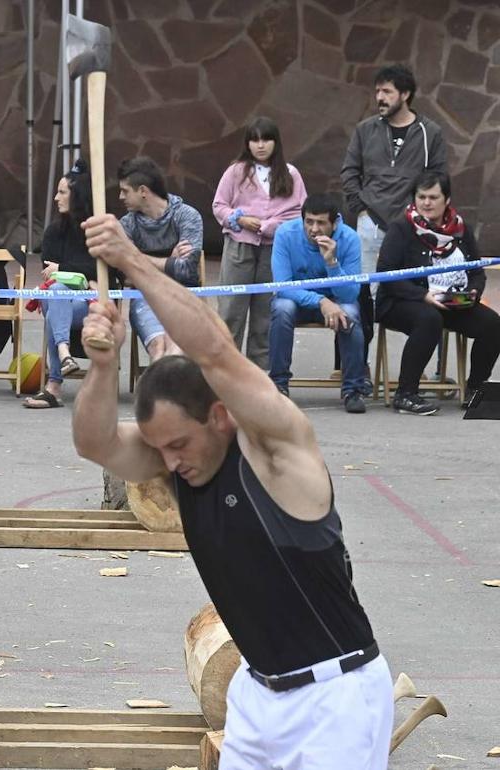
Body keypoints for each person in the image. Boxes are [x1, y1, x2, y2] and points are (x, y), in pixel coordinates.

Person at [73, 212, 392, 770]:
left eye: (177, 444)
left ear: (220, 416)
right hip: (255, 695)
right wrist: (101, 368)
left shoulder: (277, 446)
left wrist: (131, 262)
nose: (166, 463)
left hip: (334, 699)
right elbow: (95, 443)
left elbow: (217, 350)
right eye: (158, 447)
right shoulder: (179, 458)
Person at [341, 63, 447, 365]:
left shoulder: (431, 133)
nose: (380, 97)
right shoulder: (365, 130)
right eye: (377, 91)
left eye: (386, 91)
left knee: (421, 294)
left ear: (405, 94)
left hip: (414, 228)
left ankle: (427, 372)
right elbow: (349, 172)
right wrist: (360, 209)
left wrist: (424, 215)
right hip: (370, 225)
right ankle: (355, 371)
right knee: (361, 296)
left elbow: (439, 177)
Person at [376, 172, 500, 415]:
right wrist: (423, 296)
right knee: (429, 318)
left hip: (452, 301)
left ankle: (476, 391)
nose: (426, 203)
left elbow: (476, 271)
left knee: (493, 324)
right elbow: (386, 274)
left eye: (433, 197)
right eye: (421, 197)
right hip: (403, 300)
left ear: (447, 199)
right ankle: (406, 394)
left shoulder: (462, 230)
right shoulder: (402, 228)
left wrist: (473, 293)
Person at [212, 116, 306, 369]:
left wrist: (267, 226)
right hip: (239, 244)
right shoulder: (236, 171)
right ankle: (226, 366)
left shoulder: (290, 173)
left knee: (265, 309)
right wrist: (239, 219)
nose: (260, 145)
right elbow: (219, 205)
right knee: (231, 307)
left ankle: (260, 368)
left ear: (276, 142)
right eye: (254, 140)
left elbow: (298, 213)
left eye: (266, 139)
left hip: (273, 247)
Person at [24, 161, 115, 409]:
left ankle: (54, 385)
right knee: (56, 292)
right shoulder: (54, 231)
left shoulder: (97, 231)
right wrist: (80, 275)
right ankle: (65, 355)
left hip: (93, 307)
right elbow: (48, 272)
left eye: (62, 192)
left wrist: (64, 269)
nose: (55, 198)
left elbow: (105, 269)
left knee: (55, 298)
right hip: (67, 301)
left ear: (77, 196)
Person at [269, 194, 368, 413]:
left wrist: (332, 263)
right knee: (281, 308)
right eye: (309, 222)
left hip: (336, 302)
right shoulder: (285, 234)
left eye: (321, 223)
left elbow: (351, 294)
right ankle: (278, 384)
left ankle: (353, 389)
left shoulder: (350, 239)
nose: (314, 229)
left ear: (335, 223)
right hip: (298, 300)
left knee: (350, 313)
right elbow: (282, 285)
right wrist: (320, 301)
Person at [117, 156, 203, 361]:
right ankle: (159, 393)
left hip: (184, 294)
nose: (120, 196)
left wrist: (136, 258)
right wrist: (170, 260)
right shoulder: (126, 224)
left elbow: (188, 270)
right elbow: (125, 275)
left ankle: (174, 393)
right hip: (145, 296)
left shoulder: (187, 216)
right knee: (158, 349)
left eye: (125, 191)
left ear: (143, 191)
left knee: (175, 350)